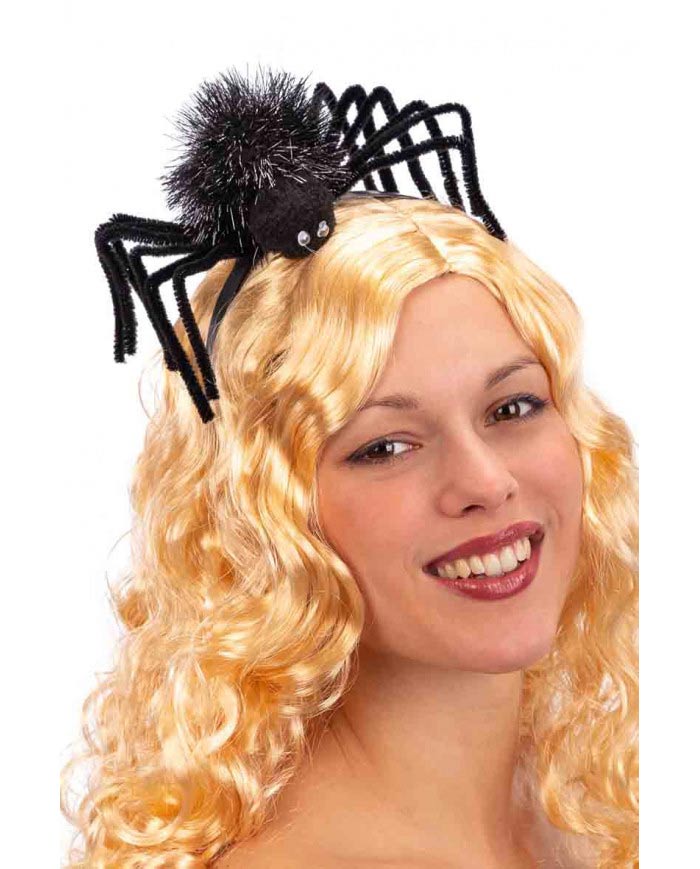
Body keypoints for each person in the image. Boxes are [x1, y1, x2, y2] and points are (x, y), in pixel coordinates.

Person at [61, 193, 638, 868]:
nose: (486, 482)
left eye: (512, 407)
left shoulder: (586, 810)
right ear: (273, 516)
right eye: (385, 447)